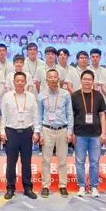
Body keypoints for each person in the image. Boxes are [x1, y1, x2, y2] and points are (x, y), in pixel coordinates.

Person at [0, 72, 39, 200]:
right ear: (13, 82)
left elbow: (35, 115)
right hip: (11, 132)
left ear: (26, 82)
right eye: (17, 81)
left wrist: (36, 131)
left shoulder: (31, 96)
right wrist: (2, 131)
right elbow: (3, 115)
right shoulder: (7, 96)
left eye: (22, 81)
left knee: (26, 162)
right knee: (11, 162)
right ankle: (10, 188)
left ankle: (28, 188)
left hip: (27, 132)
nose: (20, 83)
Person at [36, 69, 74, 198]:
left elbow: (70, 114)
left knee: (63, 160)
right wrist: (39, 133)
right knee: (46, 160)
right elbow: (38, 115)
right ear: (46, 80)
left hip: (62, 130)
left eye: (55, 77)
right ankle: (45, 186)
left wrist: (70, 132)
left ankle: (63, 185)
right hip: (47, 130)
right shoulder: (41, 95)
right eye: (50, 77)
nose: (53, 79)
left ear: (58, 79)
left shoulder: (65, 94)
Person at [71, 70, 106, 198]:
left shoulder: (98, 95)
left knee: (94, 162)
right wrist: (72, 132)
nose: (87, 81)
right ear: (81, 80)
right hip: (79, 134)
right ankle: (81, 186)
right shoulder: (74, 96)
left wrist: (104, 133)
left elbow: (102, 115)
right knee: (79, 161)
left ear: (93, 81)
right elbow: (71, 116)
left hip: (95, 135)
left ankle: (94, 187)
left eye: (89, 79)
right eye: (85, 79)